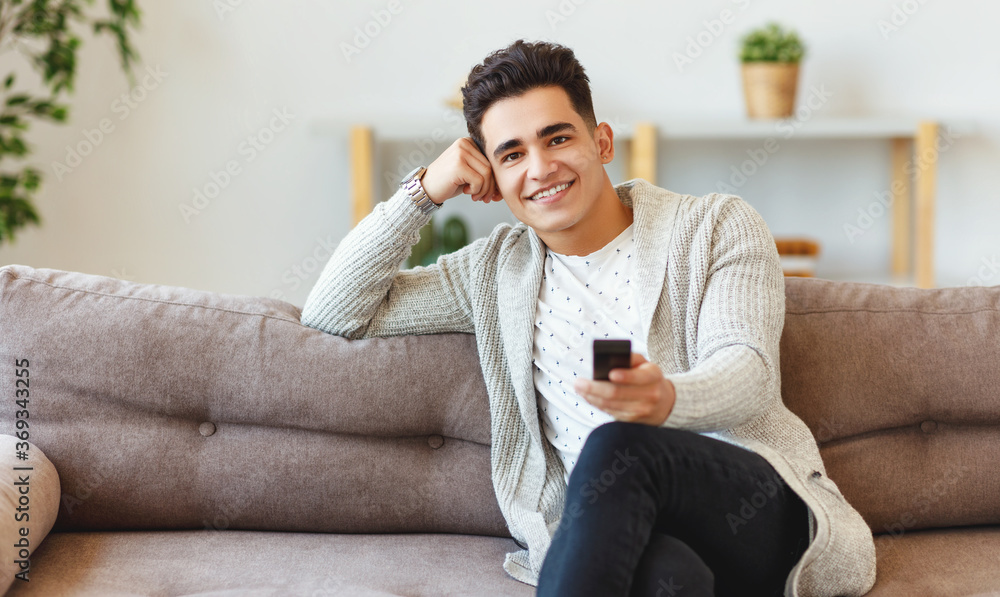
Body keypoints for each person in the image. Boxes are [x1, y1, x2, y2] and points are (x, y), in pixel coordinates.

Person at [300, 39, 877, 597]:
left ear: (601, 142)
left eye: (557, 138)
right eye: (512, 154)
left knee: (618, 446)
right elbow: (333, 311)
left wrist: (667, 400)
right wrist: (421, 192)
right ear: (494, 182)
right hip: (624, 533)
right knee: (665, 577)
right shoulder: (491, 274)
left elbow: (748, 372)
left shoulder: (714, 227)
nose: (541, 167)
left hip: (753, 514)